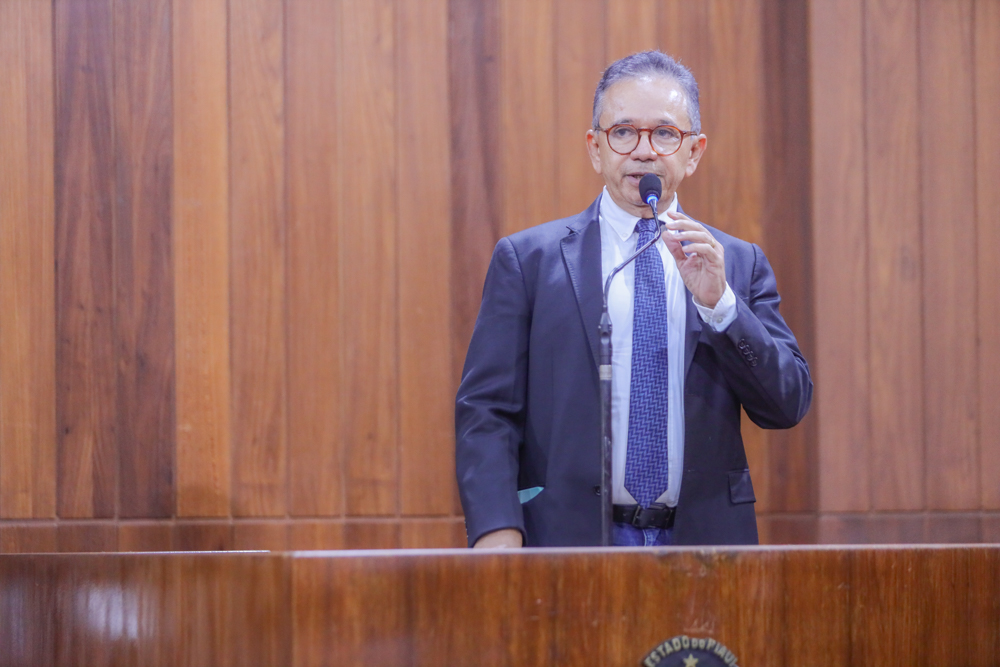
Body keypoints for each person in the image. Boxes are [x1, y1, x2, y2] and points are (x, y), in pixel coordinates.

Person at [455, 51, 812, 548]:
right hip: (564, 540)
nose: (643, 151)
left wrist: (723, 307)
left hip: (704, 545)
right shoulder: (530, 261)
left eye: (665, 134)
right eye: (623, 132)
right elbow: (486, 410)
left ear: (694, 151)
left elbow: (786, 404)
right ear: (595, 148)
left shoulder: (737, 263)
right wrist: (496, 529)